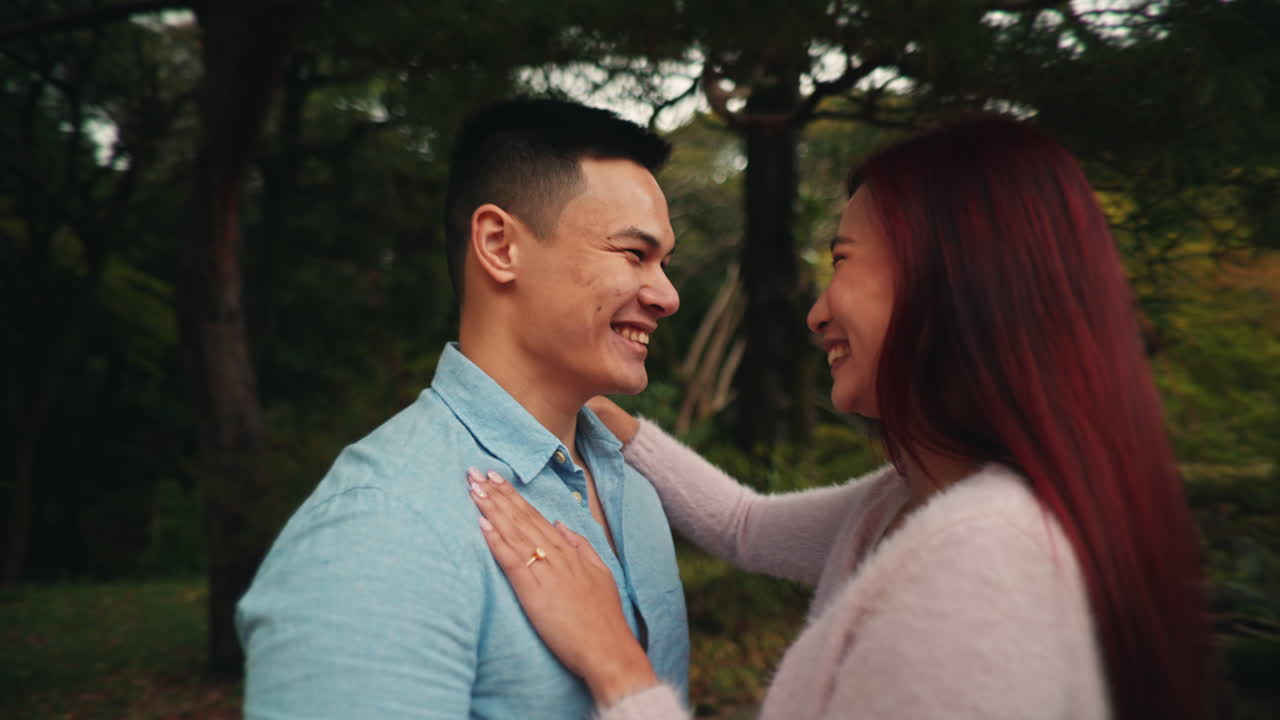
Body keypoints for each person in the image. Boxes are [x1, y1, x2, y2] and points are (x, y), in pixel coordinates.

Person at [465, 116, 1213, 719]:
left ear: (954, 286)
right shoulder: (909, 501)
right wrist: (589, 403)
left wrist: (615, 664)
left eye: (844, 261)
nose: (818, 311)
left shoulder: (985, 566)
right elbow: (745, 525)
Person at [236, 98, 690, 719]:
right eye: (634, 254)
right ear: (500, 245)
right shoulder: (377, 533)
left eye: (665, 262)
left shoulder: (632, 488)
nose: (667, 295)